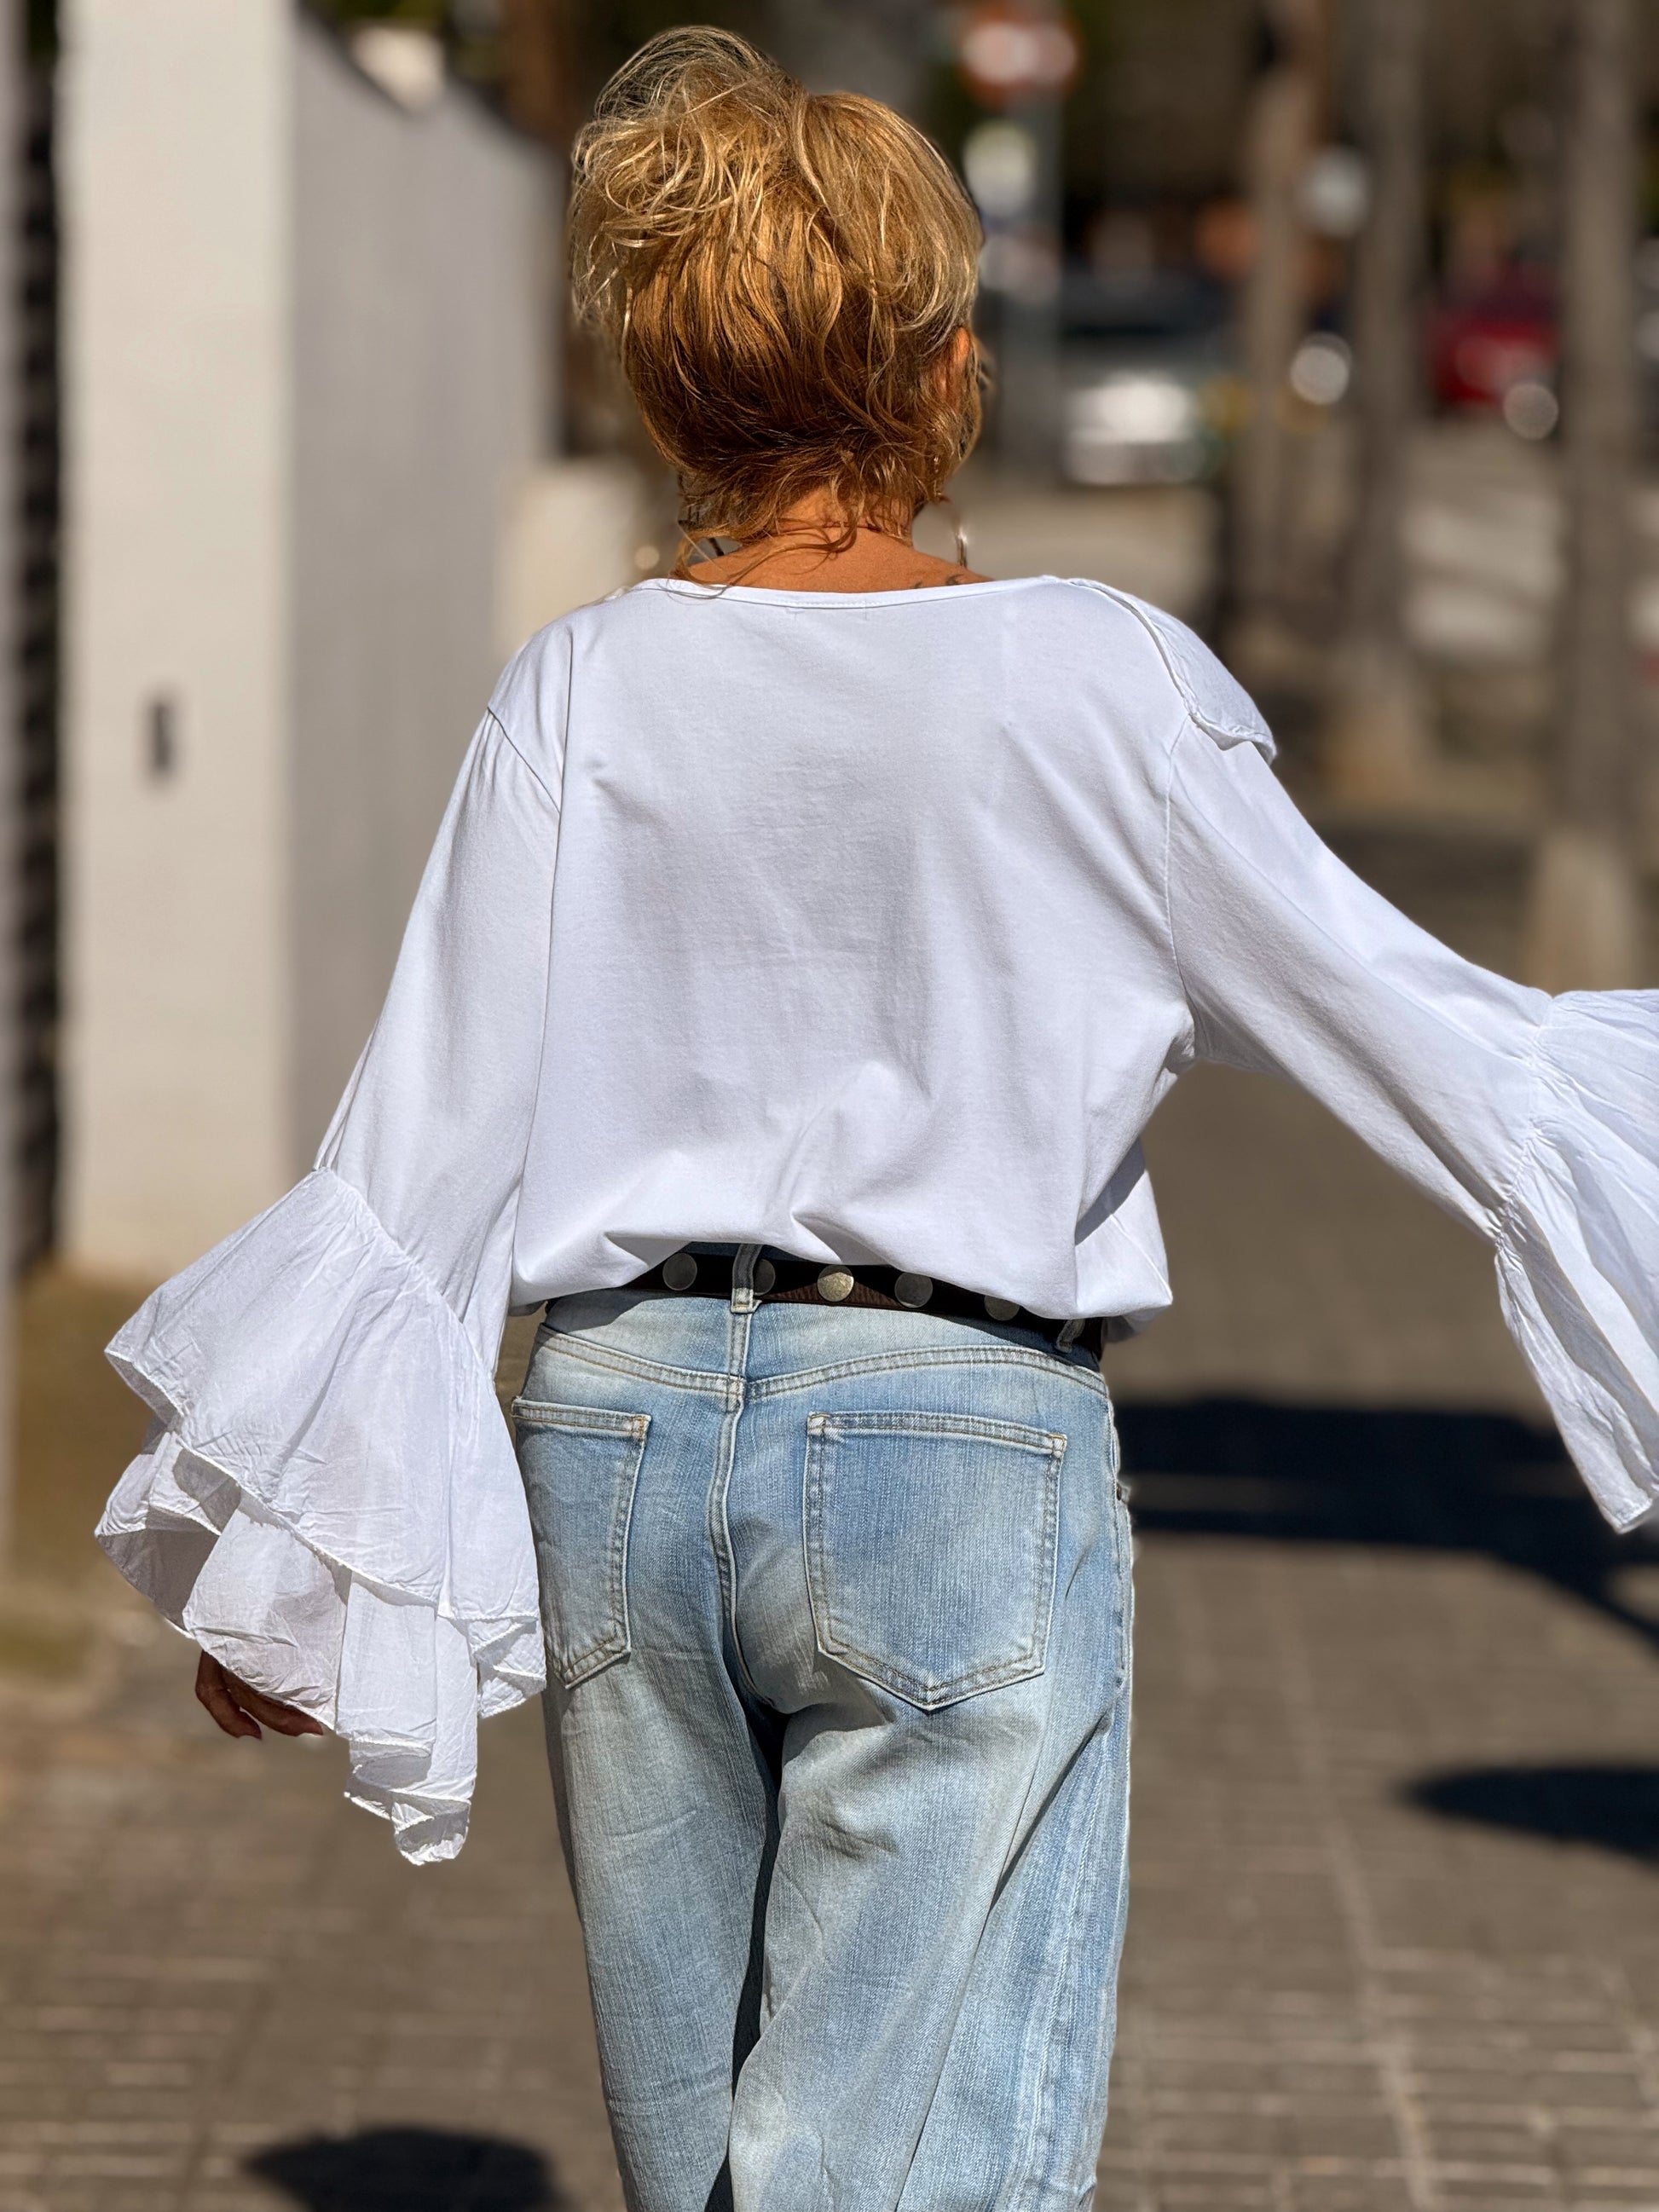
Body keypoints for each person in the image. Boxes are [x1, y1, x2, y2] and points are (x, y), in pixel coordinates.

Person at [96, 27, 1658, 2212]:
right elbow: (1415, 1032)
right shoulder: (1095, 676)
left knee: (717, 2169)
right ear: (941, 374)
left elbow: (415, 1151)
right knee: (902, 2171)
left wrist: (281, 1565)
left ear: (674, 396)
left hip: (617, 1435)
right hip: (951, 1436)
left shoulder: (583, 683)